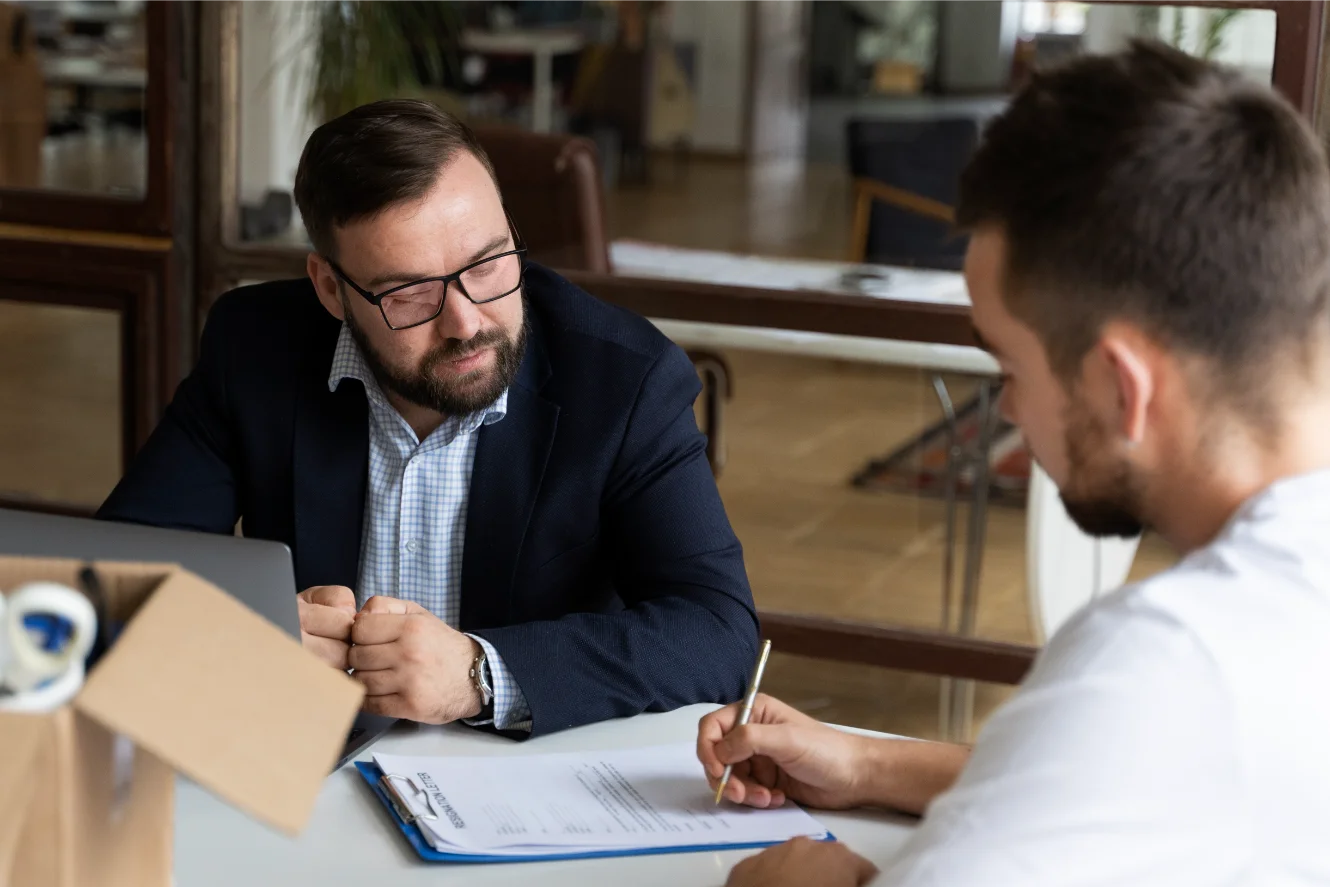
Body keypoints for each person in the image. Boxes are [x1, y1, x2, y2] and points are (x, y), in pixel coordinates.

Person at [698, 40, 1330, 886]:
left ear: (1120, 386)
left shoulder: (1172, 659)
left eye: (1009, 368)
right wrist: (867, 762)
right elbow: (1131, 778)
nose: (1007, 411)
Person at [98, 99, 759, 737]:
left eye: (488, 263)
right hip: (306, 759)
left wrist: (481, 675)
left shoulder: (624, 379)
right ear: (331, 289)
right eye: (410, 292)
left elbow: (718, 631)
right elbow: (109, 577)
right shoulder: (254, 347)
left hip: (521, 773)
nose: (466, 322)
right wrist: (243, 636)